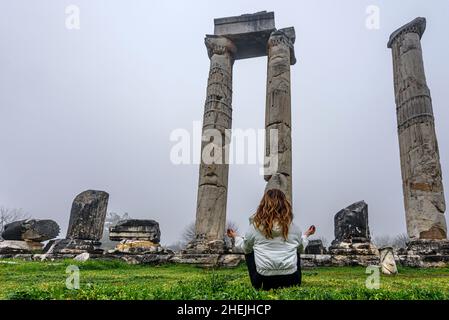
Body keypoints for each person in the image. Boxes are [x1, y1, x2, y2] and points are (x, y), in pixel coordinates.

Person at [227, 189, 316, 291]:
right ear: (285, 205)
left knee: (248, 250)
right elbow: (301, 249)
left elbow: (245, 248)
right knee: (297, 248)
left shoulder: (254, 228)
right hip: (292, 281)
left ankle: (259, 283)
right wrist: (306, 235)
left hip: (263, 282)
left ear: (263, 206)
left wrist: (235, 236)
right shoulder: (295, 228)